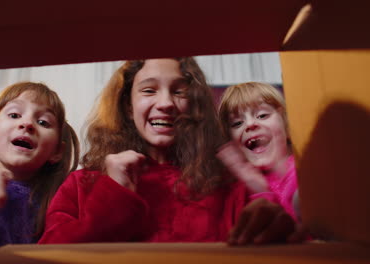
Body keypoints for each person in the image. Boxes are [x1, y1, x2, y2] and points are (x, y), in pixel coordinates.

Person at [39, 58, 297, 245]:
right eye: (149, 90)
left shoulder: (226, 187)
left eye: (179, 92)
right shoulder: (82, 184)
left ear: (194, 107)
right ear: (129, 107)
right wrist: (113, 193)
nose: (165, 104)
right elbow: (46, 256)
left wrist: (273, 228)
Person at [0, 82, 79, 250]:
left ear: (56, 152)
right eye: (14, 115)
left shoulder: (59, 203)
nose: (27, 124)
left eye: (43, 122)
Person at [217, 82, 299, 220]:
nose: (250, 124)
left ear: (286, 125)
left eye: (262, 115)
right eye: (237, 123)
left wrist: (263, 192)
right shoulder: (238, 193)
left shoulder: (304, 176)